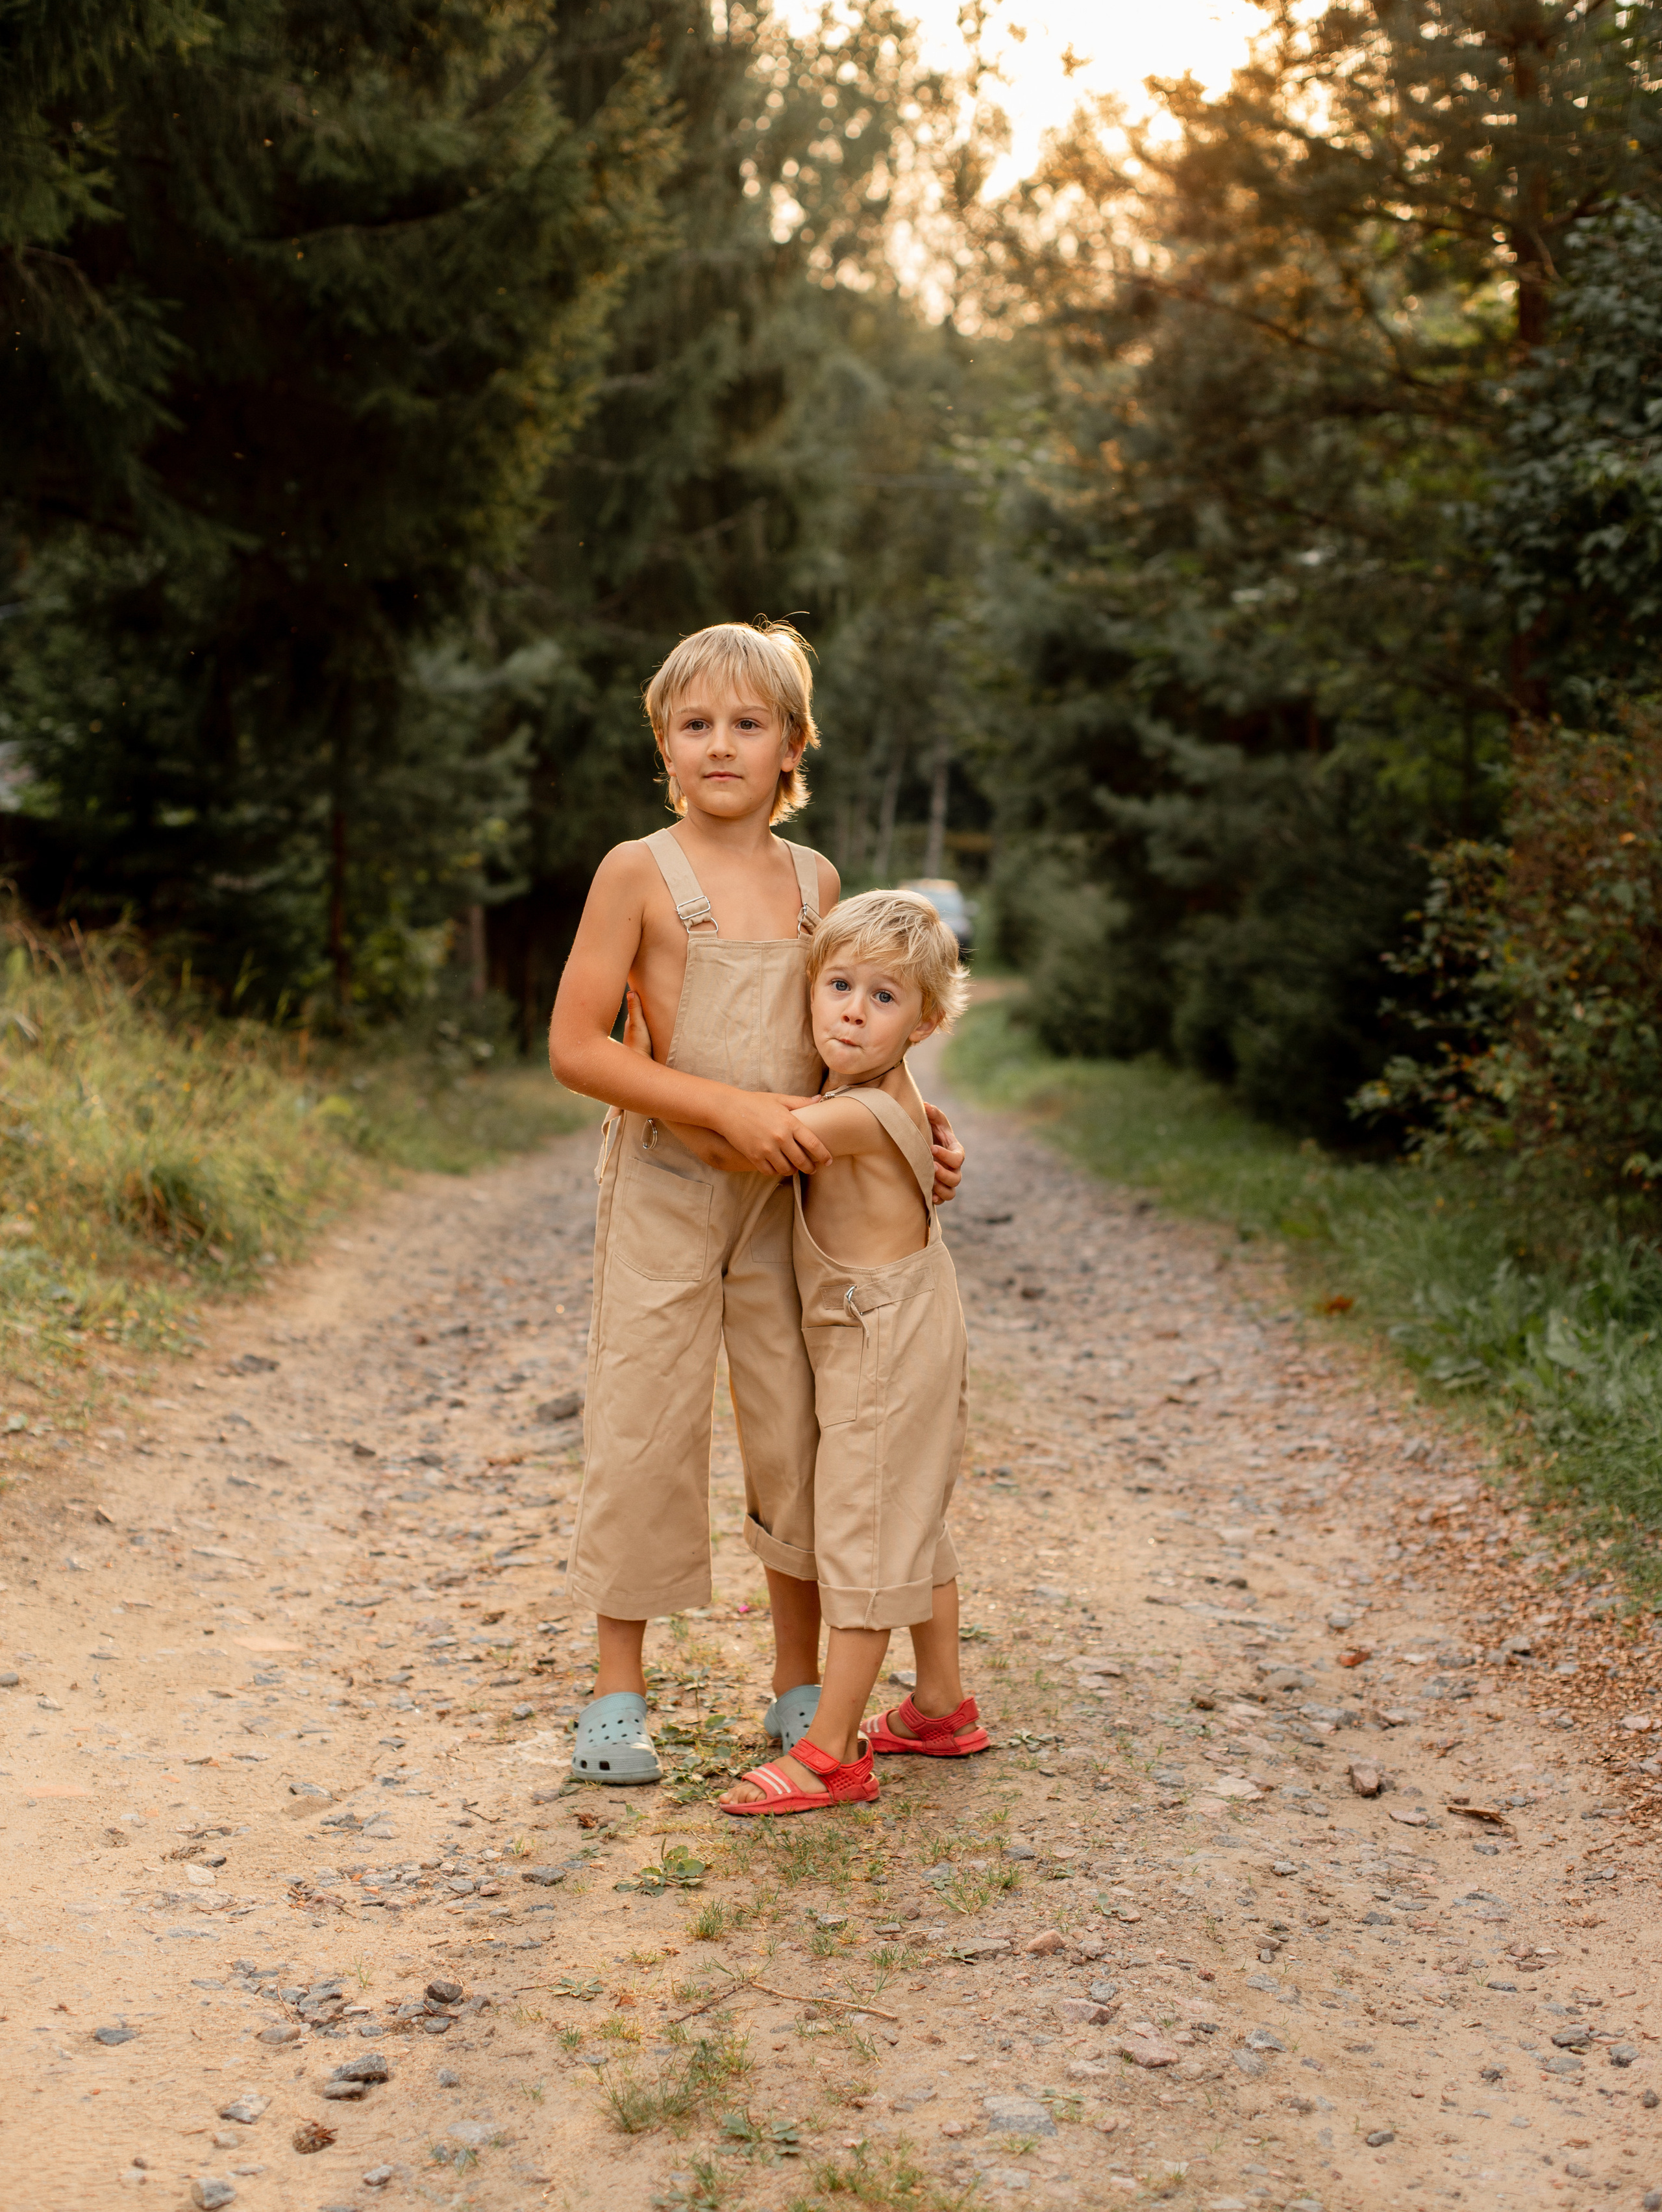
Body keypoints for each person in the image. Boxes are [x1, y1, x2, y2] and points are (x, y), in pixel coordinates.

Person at [547, 621, 965, 1787]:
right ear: (664, 746)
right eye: (696, 725)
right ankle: (617, 1693)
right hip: (671, 1190)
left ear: (792, 745)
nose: (721, 745)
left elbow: (859, 1040)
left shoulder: (816, 880)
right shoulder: (637, 872)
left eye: (749, 723)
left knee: (796, 1431)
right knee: (645, 1418)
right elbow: (578, 1047)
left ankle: (796, 1686)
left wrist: (918, 1127)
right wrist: (718, 1111)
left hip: (793, 1203)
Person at [628, 888, 986, 1815]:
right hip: (889, 1320)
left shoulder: (857, 1114)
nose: (852, 1012)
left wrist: (644, 1075)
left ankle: (833, 1752)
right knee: (900, 1508)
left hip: (882, 1334)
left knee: (865, 1529)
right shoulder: (857, 1094)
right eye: (838, 986)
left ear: (926, 1021)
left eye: (884, 998)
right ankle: (940, 1705)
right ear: (812, 990)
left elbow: (745, 1147)